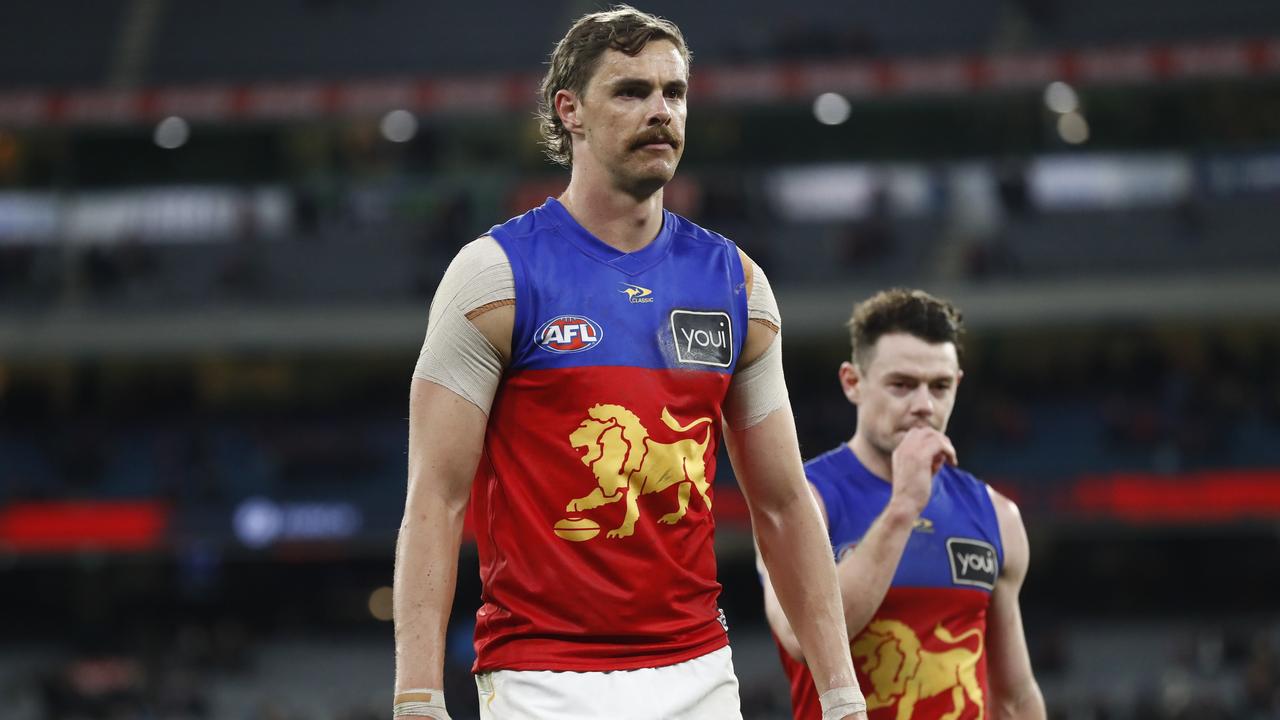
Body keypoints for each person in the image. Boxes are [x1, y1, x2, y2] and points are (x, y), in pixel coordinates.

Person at [393, 6, 866, 720]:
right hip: (540, 680)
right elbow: (435, 499)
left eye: (674, 93)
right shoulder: (493, 278)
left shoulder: (736, 283)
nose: (660, 111)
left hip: (701, 674)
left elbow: (782, 501)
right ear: (570, 111)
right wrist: (417, 696)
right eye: (631, 91)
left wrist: (841, 692)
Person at [762, 289, 1046, 719]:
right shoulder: (801, 500)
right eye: (902, 385)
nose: (924, 406)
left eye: (940, 386)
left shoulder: (998, 515)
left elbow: (1015, 696)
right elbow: (799, 639)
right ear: (852, 383)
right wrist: (903, 508)